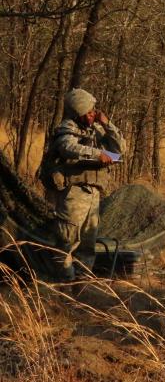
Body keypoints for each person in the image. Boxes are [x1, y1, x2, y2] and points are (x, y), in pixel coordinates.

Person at [40, 88, 125, 280]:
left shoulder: (96, 129)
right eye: (88, 112)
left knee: (87, 244)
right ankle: (65, 284)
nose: (93, 114)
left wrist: (108, 124)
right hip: (73, 193)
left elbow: (120, 150)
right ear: (78, 113)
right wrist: (97, 154)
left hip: (93, 194)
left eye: (93, 111)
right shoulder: (66, 129)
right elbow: (68, 148)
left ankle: (82, 284)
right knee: (66, 241)